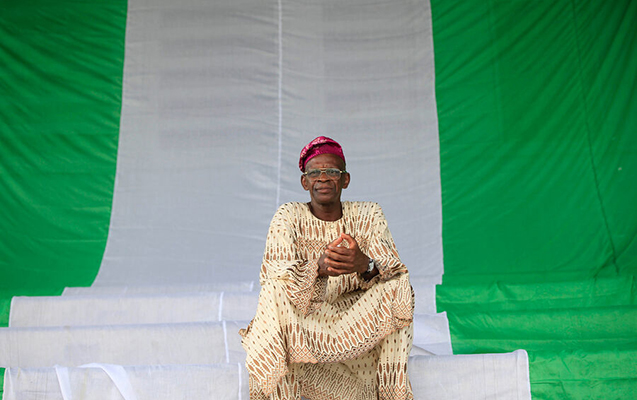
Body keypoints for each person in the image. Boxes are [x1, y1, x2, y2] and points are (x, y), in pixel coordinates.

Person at [240, 136, 414, 400]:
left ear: (345, 180)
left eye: (331, 172)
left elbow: (393, 269)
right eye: (314, 173)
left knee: (399, 285)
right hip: (307, 324)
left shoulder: (369, 213)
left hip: (357, 322)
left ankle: (391, 392)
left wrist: (364, 264)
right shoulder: (288, 215)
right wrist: (317, 269)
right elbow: (274, 273)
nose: (322, 178)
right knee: (273, 290)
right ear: (304, 182)